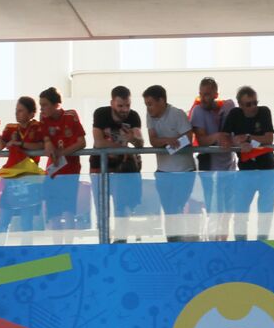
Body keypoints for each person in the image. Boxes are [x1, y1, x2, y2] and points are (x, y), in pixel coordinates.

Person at [222, 86, 274, 241]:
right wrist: (236, 143)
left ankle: (263, 244)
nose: (253, 107)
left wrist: (247, 138)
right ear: (240, 104)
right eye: (248, 104)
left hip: (267, 170)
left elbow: (269, 138)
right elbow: (225, 137)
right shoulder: (234, 114)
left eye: (255, 103)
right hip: (245, 170)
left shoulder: (264, 111)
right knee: (240, 213)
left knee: (265, 213)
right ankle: (241, 245)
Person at [143, 84, 197, 241]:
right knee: (168, 211)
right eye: (147, 105)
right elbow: (153, 141)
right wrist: (169, 141)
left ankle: (178, 241)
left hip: (183, 171)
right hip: (163, 171)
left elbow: (188, 138)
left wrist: (169, 144)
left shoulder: (177, 114)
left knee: (176, 209)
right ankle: (171, 242)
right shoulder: (150, 115)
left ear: (162, 101)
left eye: (151, 104)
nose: (149, 108)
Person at [0, 95, 48, 239]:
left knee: (26, 222)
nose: (17, 113)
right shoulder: (11, 128)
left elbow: (42, 145)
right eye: (16, 110)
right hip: (11, 180)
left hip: (29, 179)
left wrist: (20, 144)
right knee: (3, 218)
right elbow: (1, 145)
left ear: (31, 114)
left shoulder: (38, 127)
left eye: (21, 111)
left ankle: (27, 252)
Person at [90, 85, 144, 240]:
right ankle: (104, 241)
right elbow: (99, 142)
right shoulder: (101, 114)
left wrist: (132, 138)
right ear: (112, 103)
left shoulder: (133, 116)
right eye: (120, 105)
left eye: (127, 105)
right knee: (102, 207)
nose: (124, 110)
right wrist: (122, 147)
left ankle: (121, 241)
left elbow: (140, 143)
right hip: (99, 166)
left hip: (123, 169)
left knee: (122, 207)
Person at [188, 78, 236, 240]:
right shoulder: (198, 111)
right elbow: (201, 140)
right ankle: (213, 244)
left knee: (228, 212)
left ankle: (224, 242)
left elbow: (235, 133)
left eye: (207, 94)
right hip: (209, 168)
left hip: (230, 166)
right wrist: (218, 136)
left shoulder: (228, 107)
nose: (203, 98)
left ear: (216, 94)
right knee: (213, 211)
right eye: (201, 94)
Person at [39, 86, 87, 235]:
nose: (42, 109)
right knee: (53, 214)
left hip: (69, 172)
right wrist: (47, 142)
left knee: (68, 212)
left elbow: (81, 142)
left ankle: (69, 248)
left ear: (56, 104)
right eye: (40, 105)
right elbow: (45, 138)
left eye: (45, 105)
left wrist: (62, 154)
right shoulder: (43, 119)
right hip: (52, 172)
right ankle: (57, 248)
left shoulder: (70, 116)